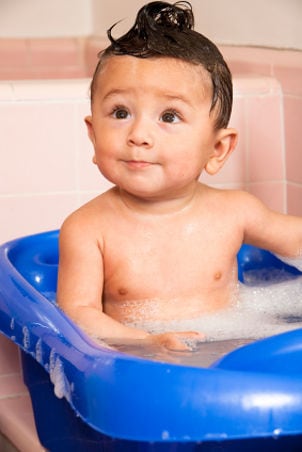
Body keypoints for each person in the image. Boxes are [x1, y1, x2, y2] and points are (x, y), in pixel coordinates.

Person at [57, 1, 302, 351]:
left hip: (233, 358)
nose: (139, 134)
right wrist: (146, 340)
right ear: (94, 136)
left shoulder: (236, 212)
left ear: (217, 150)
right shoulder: (87, 229)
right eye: (121, 112)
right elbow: (77, 315)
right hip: (140, 364)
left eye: (169, 116)